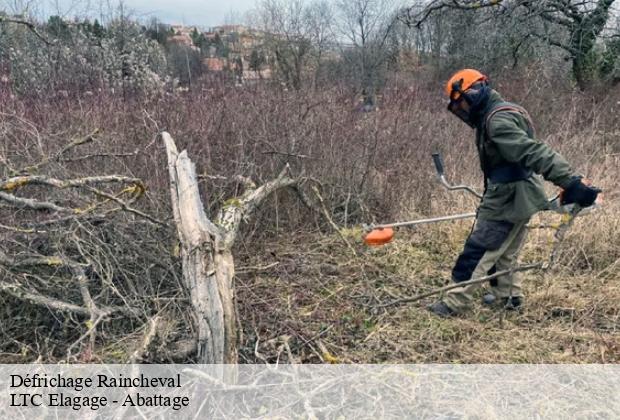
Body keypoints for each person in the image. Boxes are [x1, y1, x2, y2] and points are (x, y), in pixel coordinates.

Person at [428, 69, 600, 317]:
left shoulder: (497, 121)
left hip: (508, 197)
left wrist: (571, 182)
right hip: (521, 194)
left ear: (474, 92)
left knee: (479, 249)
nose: (462, 109)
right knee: (505, 252)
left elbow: (533, 152)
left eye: (462, 102)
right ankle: (509, 297)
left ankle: (454, 303)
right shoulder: (503, 110)